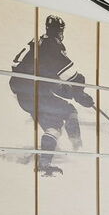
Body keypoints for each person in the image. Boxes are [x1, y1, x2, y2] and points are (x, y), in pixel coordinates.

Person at [11, 14, 94, 174]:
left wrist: (73, 93)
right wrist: (79, 94)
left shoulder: (35, 42)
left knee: (53, 126)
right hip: (37, 93)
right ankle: (78, 148)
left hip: (23, 95)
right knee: (70, 111)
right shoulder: (53, 46)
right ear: (60, 31)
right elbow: (73, 76)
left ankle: (44, 164)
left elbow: (16, 64)